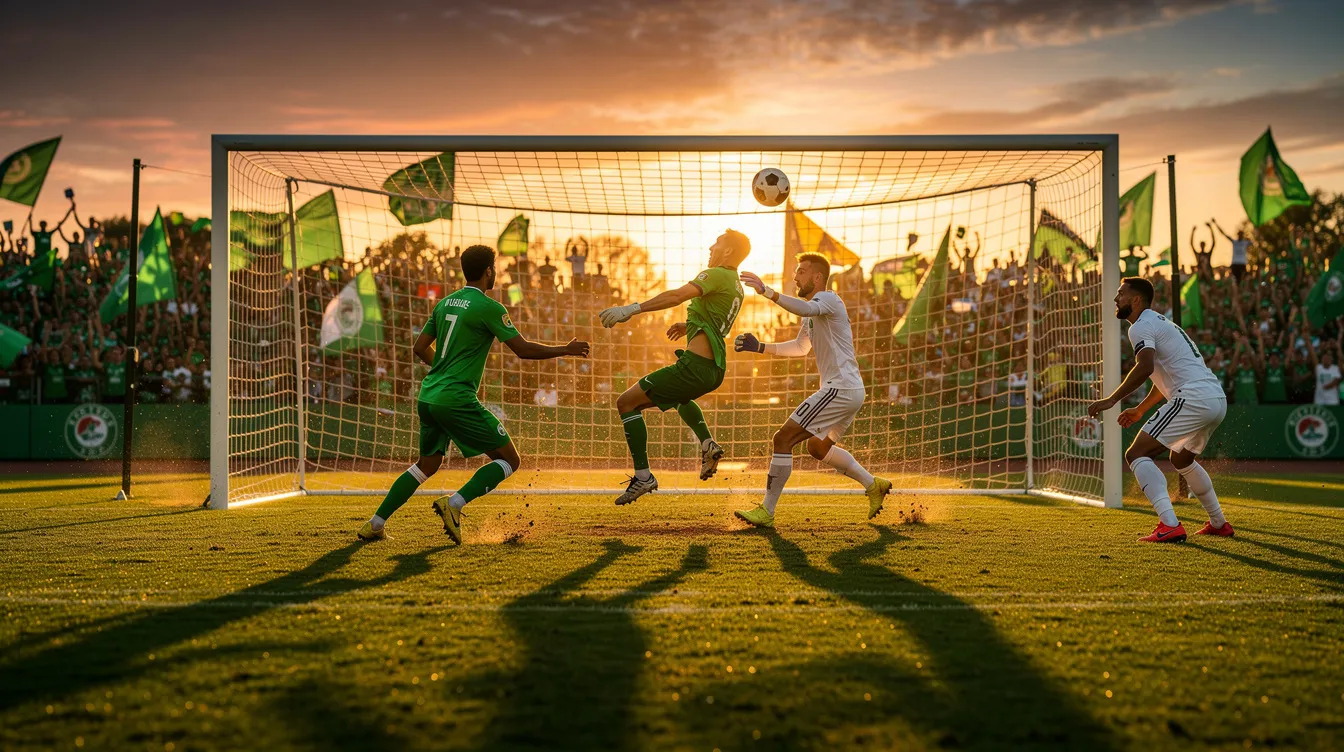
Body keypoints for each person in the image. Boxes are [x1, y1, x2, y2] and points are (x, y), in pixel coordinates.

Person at [358, 244, 589, 544]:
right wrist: (565, 350)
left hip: (429, 395)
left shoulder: (445, 303)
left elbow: (418, 348)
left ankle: (375, 524)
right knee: (509, 460)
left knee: (426, 465)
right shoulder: (489, 307)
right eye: (494, 267)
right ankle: (453, 504)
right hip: (456, 398)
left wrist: (442, 367)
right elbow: (522, 349)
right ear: (489, 271)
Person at [731, 252, 891, 527]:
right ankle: (872, 484)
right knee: (817, 447)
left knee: (782, 439)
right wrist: (760, 348)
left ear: (818, 277)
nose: (795, 277)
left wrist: (766, 290)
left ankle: (766, 512)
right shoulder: (814, 311)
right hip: (850, 390)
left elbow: (804, 309)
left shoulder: (827, 299)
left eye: (801, 272)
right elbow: (801, 347)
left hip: (839, 389)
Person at [598, 229, 750, 505]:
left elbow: (677, 296)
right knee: (680, 399)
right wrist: (688, 325)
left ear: (728, 252)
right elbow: (715, 320)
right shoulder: (736, 285)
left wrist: (630, 309)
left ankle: (643, 476)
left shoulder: (716, 274)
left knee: (626, 403)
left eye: (717, 243)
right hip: (713, 368)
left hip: (695, 365)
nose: (711, 247)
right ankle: (707, 444)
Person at [1087, 277, 1233, 542]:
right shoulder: (1161, 322)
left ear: (1136, 300)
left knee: (1136, 453)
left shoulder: (1140, 326)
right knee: (1181, 459)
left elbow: (1144, 367)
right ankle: (1219, 523)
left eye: (1120, 294)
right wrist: (1141, 410)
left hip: (1193, 397)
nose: (1115, 299)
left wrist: (1111, 400)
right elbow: (1160, 375)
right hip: (1215, 398)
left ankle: (1169, 524)